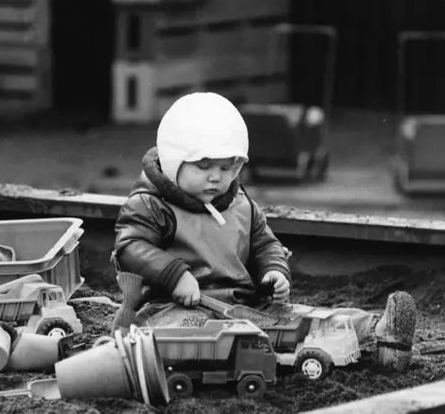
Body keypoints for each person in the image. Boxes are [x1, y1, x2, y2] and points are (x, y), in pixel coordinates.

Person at [111, 92, 415, 361]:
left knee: (302, 322)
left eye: (226, 167)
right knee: (180, 335)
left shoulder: (239, 202)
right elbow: (130, 247)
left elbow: (264, 243)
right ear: (174, 160)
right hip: (176, 307)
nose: (216, 177)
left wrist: (274, 271)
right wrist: (175, 276)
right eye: (203, 166)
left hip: (243, 304)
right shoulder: (152, 204)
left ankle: (379, 332)